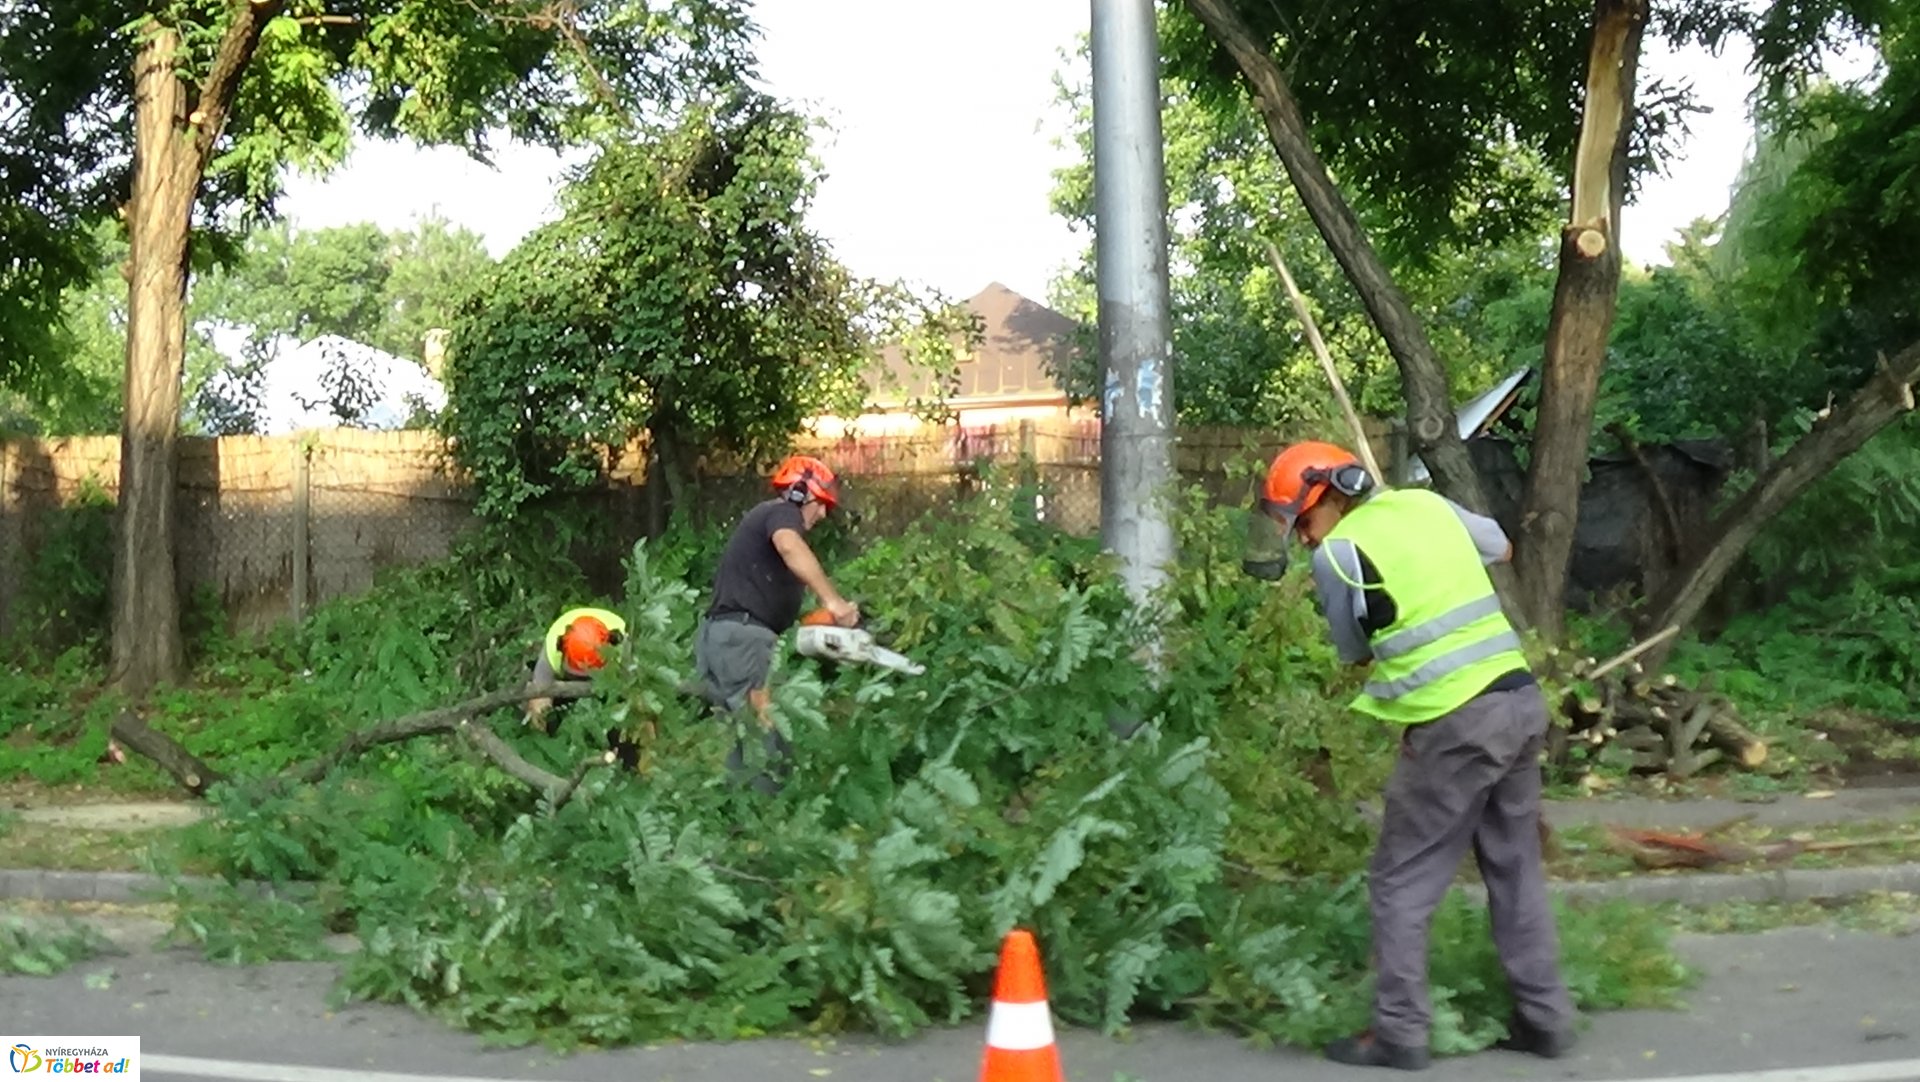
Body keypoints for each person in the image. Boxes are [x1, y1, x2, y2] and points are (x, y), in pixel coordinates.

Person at [1253, 440, 1577, 1072]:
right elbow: (1502, 548)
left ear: (1333, 492)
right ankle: (1546, 1019)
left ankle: (1400, 1032)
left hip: (1458, 723)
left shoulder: (1340, 556)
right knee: (1514, 869)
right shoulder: (1425, 505)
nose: (1301, 538)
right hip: (1518, 703)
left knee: (1401, 881)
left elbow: (1354, 652)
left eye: (1303, 521)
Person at [693, 454, 859, 789]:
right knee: (769, 742)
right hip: (744, 640)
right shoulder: (781, 514)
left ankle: (734, 827)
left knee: (738, 744)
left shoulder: (763, 526)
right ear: (800, 493)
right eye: (821, 503)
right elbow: (788, 546)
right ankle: (767, 829)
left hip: (725, 638)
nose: (823, 514)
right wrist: (834, 601)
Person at [524, 605, 638, 769]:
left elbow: (632, 691)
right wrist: (540, 716)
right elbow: (539, 692)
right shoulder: (553, 646)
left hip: (610, 680)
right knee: (541, 711)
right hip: (567, 682)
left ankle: (627, 763)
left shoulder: (621, 646)